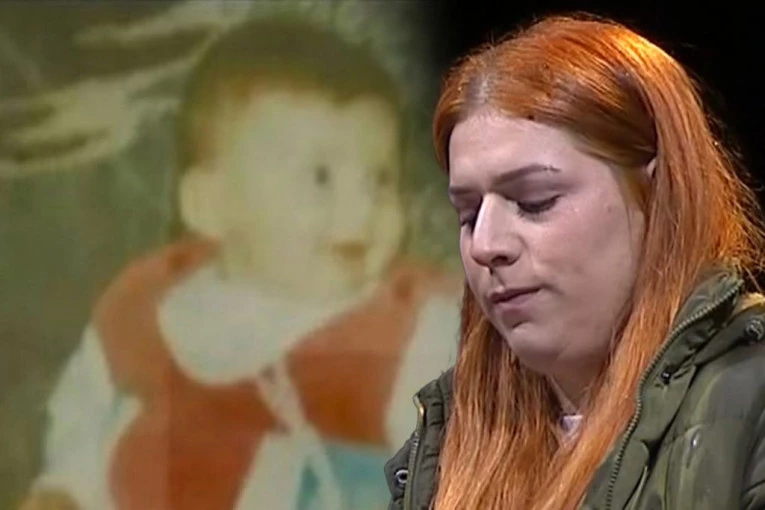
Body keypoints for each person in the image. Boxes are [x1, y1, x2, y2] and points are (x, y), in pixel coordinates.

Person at [18, 16, 460, 510]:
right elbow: (85, 407)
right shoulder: (146, 302)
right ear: (210, 205)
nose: (363, 209)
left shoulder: (414, 330)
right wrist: (66, 486)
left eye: (380, 180)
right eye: (320, 178)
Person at [385, 13, 765, 510]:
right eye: (469, 214)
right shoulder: (443, 443)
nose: (485, 244)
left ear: (657, 195)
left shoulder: (751, 403)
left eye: (535, 201)